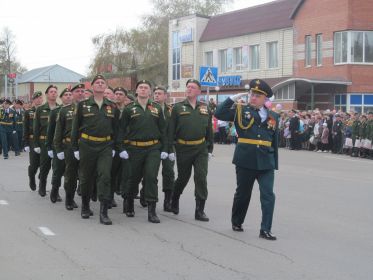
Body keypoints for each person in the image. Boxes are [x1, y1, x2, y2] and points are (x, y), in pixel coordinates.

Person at [214, 78, 279, 240]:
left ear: (265, 99)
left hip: (266, 161)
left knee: (268, 195)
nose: (253, 97)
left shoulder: (273, 116)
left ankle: (265, 229)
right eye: (252, 94)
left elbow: (274, 141)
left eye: (258, 95)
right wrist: (232, 98)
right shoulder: (240, 110)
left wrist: (274, 162)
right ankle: (237, 221)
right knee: (243, 193)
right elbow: (218, 113)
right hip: (245, 159)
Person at [71, 74, 119, 225]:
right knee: (86, 177)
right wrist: (75, 148)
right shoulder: (83, 105)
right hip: (87, 145)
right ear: (92, 87)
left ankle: (103, 212)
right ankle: (85, 206)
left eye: (102, 83)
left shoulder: (112, 106)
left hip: (105, 146)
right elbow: (75, 128)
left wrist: (115, 147)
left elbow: (116, 129)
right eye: (97, 82)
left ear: (105, 86)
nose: (99, 84)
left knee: (105, 176)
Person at [118, 80, 167, 223]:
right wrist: (121, 148)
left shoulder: (157, 108)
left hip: (153, 148)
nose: (144, 90)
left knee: (151, 177)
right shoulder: (129, 109)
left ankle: (152, 211)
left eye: (146, 88)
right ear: (137, 91)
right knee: (133, 177)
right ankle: (129, 202)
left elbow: (163, 130)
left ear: (150, 92)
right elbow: (121, 130)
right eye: (141, 87)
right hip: (134, 148)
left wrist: (165, 148)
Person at [168, 79, 213, 222]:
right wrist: (169, 149)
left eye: (192, 87)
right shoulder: (177, 108)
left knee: (201, 177)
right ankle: (175, 197)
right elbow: (171, 130)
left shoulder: (205, 108)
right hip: (183, 148)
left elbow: (209, 131)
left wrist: (210, 149)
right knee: (183, 177)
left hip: (201, 148)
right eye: (188, 87)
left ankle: (199, 210)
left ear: (199, 91)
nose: (189, 89)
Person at [54, 83, 86, 211]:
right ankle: (69, 198)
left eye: (82, 91)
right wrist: (58, 149)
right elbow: (58, 131)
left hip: (86, 145)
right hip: (69, 146)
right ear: (72, 95)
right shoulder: (64, 110)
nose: (80, 93)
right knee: (71, 174)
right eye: (77, 91)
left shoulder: (89, 108)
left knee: (85, 174)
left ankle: (85, 201)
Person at [152, 85, 175, 212]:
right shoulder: (149, 108)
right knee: (151, 172)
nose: (156, 95)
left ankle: (168, 201)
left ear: (165, 96)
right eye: (155, 93)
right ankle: (147, 195)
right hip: (154, 143)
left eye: (159, 93)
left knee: (169, 173)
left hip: (169, 144)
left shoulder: (171, 110)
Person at [33, 85, 58, 197]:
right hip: (43, 143)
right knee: (45, 166)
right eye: (51, 92)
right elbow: (36, 128)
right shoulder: (40, 109)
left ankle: (55, 190)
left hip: (57, 143)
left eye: (55, 91)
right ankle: (42, 186)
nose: (53, 93)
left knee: (58, 168)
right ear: (47, 94)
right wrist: (36, 144)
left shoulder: (61, 108)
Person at [23, 91, 43, 190]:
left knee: (45, 163)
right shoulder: (28, 112)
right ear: (34, 100)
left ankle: (42, 176)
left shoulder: (46, 111)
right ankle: (32, 177)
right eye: (37, 98)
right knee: (34, 164)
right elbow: (25, 128)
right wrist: (26, 143)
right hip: (32, 140)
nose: (39, 100)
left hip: (44, 140)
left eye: (40, 98)